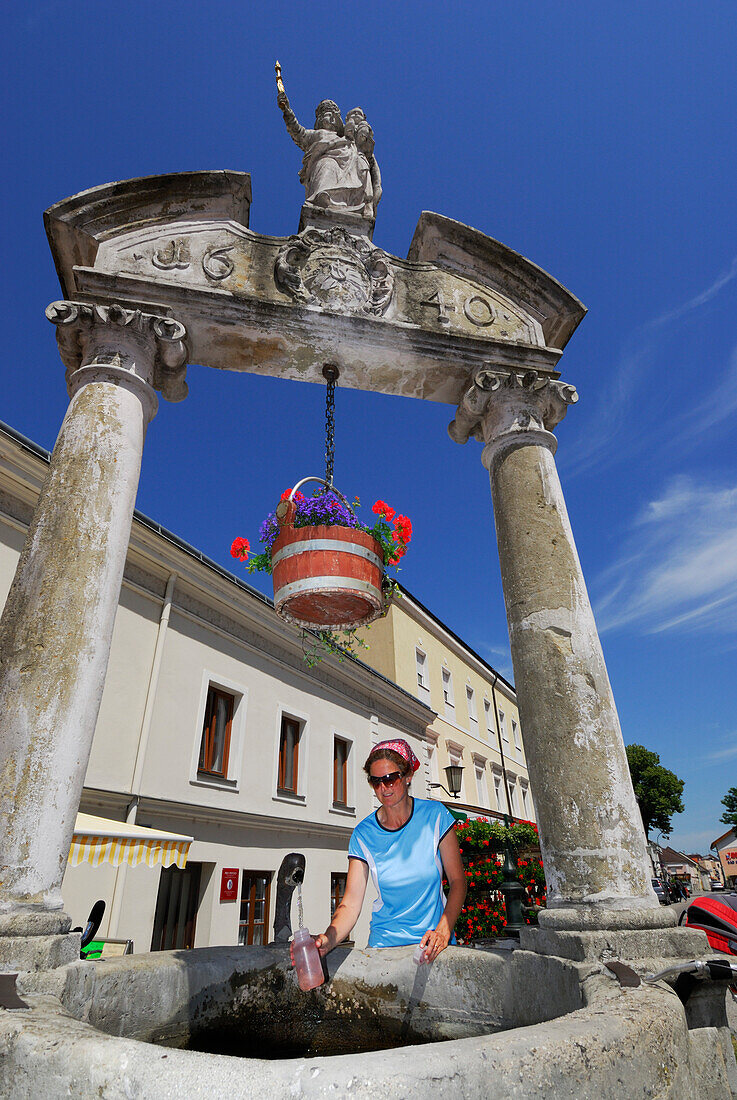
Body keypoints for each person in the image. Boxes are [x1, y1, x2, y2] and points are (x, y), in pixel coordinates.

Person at [301, 739, 467, 962]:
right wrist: (328, 940)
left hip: (432, 946)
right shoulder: (363, 834)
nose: (383, 788)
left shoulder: (435, 816)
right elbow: (350, 904)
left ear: (407, 777)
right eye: (375, 781)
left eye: (390, 779)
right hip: (384, 948)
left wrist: (443, 931)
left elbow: (458, 882)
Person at [277, 92, 379, 218]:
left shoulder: (347, 139)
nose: (330, 119)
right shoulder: (317, 134)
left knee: (354, 178)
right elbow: (297, 131)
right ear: (319, 120)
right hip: (326, 160)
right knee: (326, 170)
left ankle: (349, 205)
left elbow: (370, 159)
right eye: (327, 115)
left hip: (349, 163)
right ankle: (324, 201)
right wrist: (287, 110)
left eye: (333, 116)